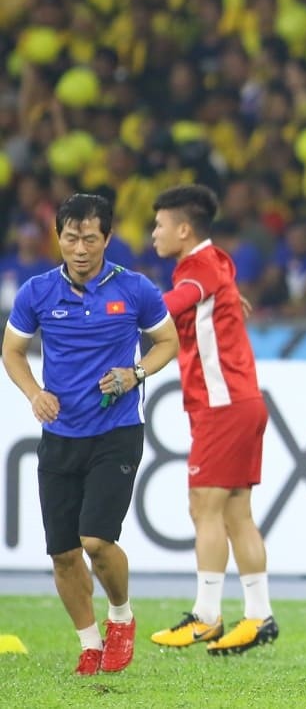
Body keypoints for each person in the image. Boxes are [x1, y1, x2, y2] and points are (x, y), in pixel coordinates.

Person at [1, 193, 179, 676]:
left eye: (91, 239)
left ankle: (121, 616)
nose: (80, 249)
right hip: (60, 434)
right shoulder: (37, 292)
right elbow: (12, 351)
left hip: (116, 430)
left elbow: (169, 342)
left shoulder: (136, 289)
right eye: (71, 238)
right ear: (58, 237)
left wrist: (135, 374)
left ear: (108, 239)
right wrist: (34, 393)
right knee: (62, 554)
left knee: (96, 540)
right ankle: (89, 643)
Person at [146, 184, 279, 655]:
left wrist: (122, 311)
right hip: (240, 401)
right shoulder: (218, 261)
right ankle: (259, 616)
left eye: (159, 225)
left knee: (203, 506)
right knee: (236, 513)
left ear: (184, 229)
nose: (154, 233)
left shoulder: (198, 269)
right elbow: (209, 293)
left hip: (222, 406)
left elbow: (178, 300)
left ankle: (205, 616)